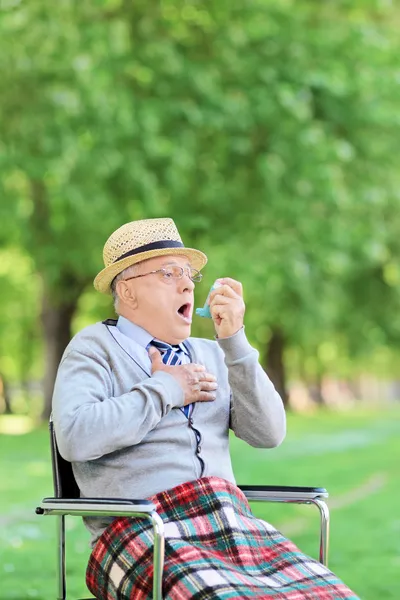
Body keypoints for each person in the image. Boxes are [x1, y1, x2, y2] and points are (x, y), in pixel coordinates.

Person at [53, 218, 358, 600]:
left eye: (189, 275)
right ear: (128, 291)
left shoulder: (213, 354)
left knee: (328, 595)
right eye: (169, 273)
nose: (186, 285)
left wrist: (235, 343)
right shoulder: (93, 348)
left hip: (231, 521)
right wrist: (167, 388)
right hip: (140, 531)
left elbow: (269, 433)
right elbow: (74, 436)